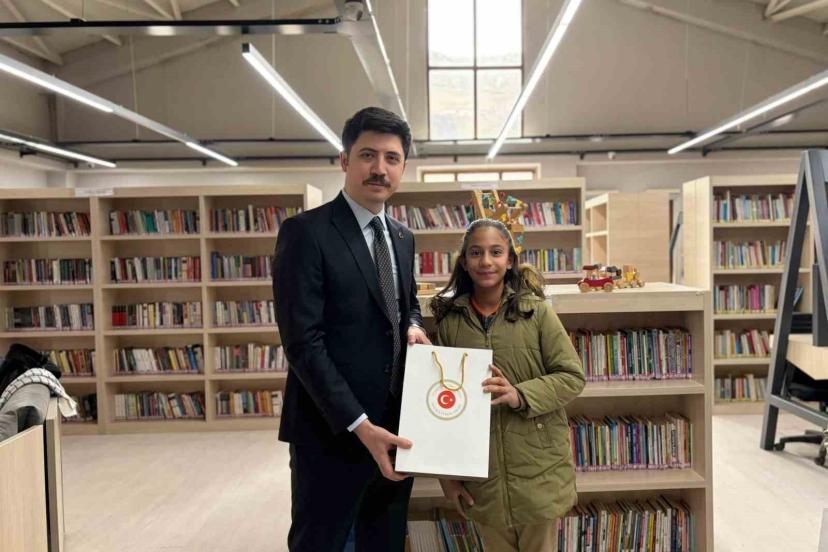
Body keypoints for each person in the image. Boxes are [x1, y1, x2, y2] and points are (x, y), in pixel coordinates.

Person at [272, 106, 430, 551]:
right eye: (367, 155)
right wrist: (360, 424)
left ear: (403, 167)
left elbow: (407, 302)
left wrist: (413, 325)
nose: (380, 168)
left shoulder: (402, 236)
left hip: (395, 428)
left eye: (392, 158)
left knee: (383, 541)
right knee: (324, 542)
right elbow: (303, 343)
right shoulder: (306, 233)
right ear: (344, 160)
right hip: (331, 431)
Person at [430, 219, 585, 552]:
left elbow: (572, 376)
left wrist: (520, 394)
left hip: (539, 473)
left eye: (496, 252)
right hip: (482, 480)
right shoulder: (451, 322)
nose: (486, 261)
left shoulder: (537, 312)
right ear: (464, 262)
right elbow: (441, 405)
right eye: (476, 253)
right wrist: (448, 478)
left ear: (510, 259)